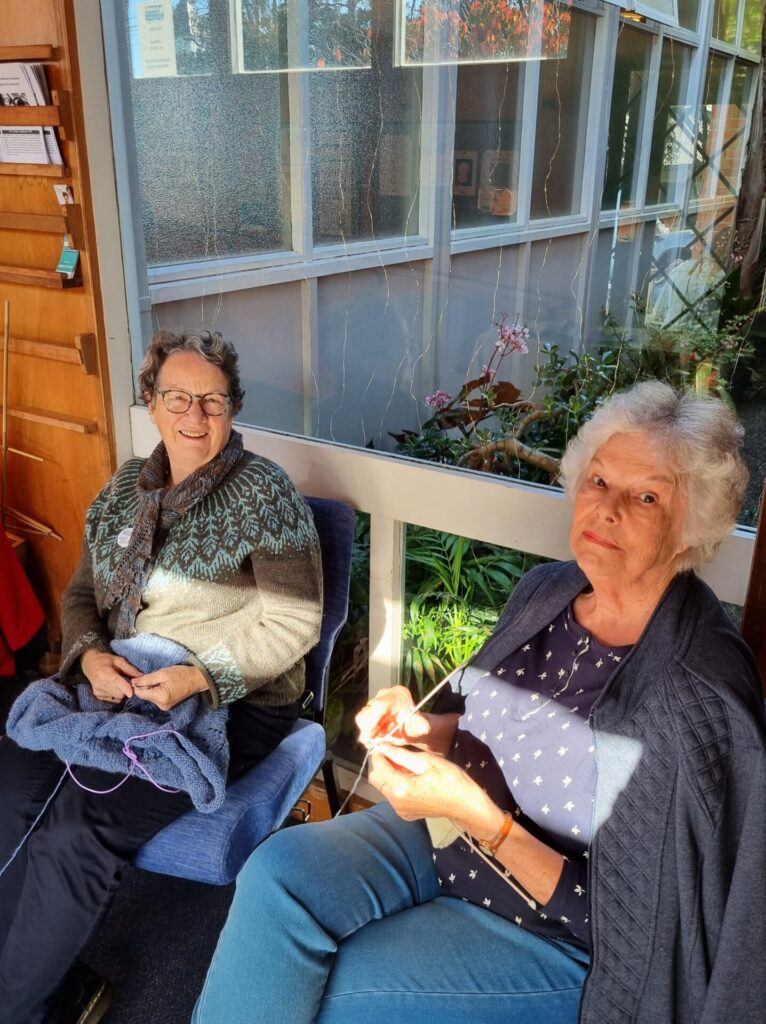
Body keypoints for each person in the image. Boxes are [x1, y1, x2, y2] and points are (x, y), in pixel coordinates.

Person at [193, 380, 766, 1024]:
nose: (607, 509)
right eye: (599, 481)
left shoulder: (696, 695)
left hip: (557, 936)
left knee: (340, 993)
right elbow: (486, 725)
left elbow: (645, 931)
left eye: (647, 497)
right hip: (446, 838)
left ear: (692, 527)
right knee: (275, 874)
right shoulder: (549, 590)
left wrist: (481, 818)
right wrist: (424, 730)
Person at [0, 329, 323, 1024]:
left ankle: (15, 1006)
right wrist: (87, 654)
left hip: (227, 703)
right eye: (177, 396)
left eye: (212, 400)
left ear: (233, 408)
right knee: (15, 787)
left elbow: (296, 627)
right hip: (117, 686)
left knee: (79, 829)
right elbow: (83, 595)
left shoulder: (264, 494)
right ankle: (41, 979)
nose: (194, 416)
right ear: (151, 401)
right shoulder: (123, 488)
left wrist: (197, 675)